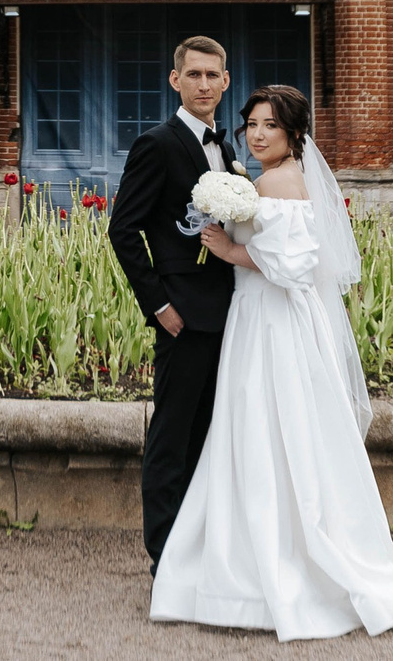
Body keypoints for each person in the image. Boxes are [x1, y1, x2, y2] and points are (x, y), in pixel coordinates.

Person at [151, 85, 393, 640]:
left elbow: (291, 265)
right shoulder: (273, 177)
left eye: (270, 125)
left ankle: (259, 569)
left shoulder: (275, 181)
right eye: (252, 125)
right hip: (264, 315)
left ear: (293, 134)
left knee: (264, 428)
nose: (258, 134)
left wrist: (228, 251)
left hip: (270, 320)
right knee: (274, 430)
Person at [107, 34, 238, 572]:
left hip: (228, 311)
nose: (204, 84)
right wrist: (159, 306)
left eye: (213, 76)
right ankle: (164, 557)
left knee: (208, 434)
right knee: (171, 436)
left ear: (226, 82)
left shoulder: (227, 148)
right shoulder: (157, 144)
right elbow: (123, 230)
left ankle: (198, 546)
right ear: (175, 80)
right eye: (194, 75)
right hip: (182, 317)